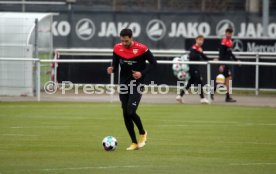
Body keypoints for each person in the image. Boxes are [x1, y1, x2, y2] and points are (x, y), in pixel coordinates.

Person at [107, 28, 157, 151]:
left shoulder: (142, 48)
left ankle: (142, 132)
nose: (124, 43)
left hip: (137, 84)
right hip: (123, 85)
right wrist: (112, 68)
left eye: (126, 41)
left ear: (131, 38)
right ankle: (134, 143)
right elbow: (115, 63)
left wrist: (142, 73)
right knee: (125, 114)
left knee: (130, 111)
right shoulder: (117, 48)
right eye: (122, 41)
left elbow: (154, 63)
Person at [176, 35, 211, 104]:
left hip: (196, 68)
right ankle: (202, 98)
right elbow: (192, 57)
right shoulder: (193, 48)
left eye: (202, 40)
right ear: (196, 40)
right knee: (199, 82)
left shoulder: (199, 48)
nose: (201, 41)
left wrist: (212, 60)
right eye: (199, 40)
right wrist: (200, 53)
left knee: (190, 83)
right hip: (193, 68)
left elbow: (204, 57)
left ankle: (180, 96)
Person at [212, 28, 239, 102]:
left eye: (230, 33)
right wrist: (221, 64)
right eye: (228, 33)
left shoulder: (230, 42)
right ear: (225, 33)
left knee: (224, 80)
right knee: (226, 79)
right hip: (223, 63)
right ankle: (226, 97)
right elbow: (221, 54)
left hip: (225, 63)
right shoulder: (223, 42)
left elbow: (230, 53)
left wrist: (236, 60)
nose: (229, 34)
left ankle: (214, 93)